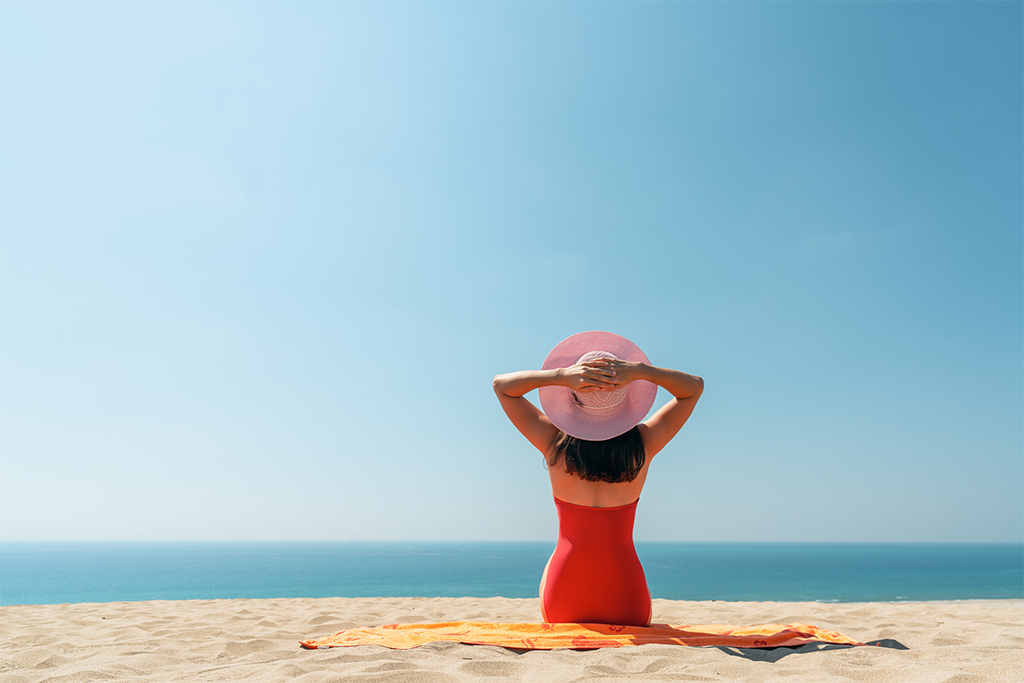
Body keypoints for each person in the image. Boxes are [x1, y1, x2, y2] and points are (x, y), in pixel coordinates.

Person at [492, 331, 703, 626]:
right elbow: (693, 388)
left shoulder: (553, 443)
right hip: (626, 600)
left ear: (573, 397)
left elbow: (502, 386)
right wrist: (641, 372)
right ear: (628, 400)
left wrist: (562, 375)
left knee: (553, 563)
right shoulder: (644, 444)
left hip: (563, 601)